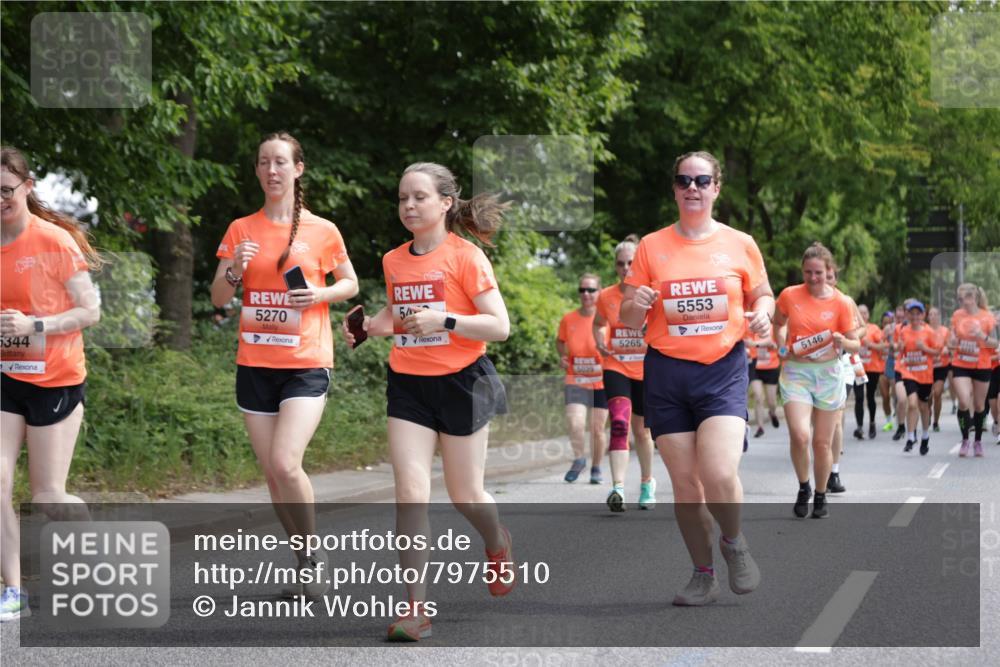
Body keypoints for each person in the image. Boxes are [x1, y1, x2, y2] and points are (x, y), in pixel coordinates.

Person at [342, 162, 513, 641]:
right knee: (410, 492)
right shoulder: (394, 260)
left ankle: (497, 541)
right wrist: (369, 327)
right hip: (409, 384)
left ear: (445, 203)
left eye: (419, 197)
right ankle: (415, 609)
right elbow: (398, 311)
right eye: (403, 198)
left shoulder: (467, 257)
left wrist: (446, 321)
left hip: (463, 382)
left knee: (466, 496)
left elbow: (499, 326)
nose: (409, 206)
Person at [211, 132, 359, 597]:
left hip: (306, 362)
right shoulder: (241, 228)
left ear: (298, 169)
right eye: (263, 162)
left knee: (285, 462)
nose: (271, 170)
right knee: (273, 476)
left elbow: (351, 283)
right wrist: (234, 268)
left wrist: (319, 293)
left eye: (280, 162)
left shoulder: (322, 229)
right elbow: (218, 297)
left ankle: (314, 554)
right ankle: (303, 559)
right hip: (255, 363)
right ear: (257, 170)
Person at [620, 151, 772, 606]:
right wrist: (637, 303)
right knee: (687, 488)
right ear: (674, 188)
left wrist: (764, 314)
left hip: (722, 368)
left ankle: (734, 542)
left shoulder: (740, 243)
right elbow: (628, 317)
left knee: (719, 471)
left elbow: (763, 294)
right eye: (684, 180)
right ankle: (703, 575)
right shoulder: (652, 246)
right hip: (667, 372)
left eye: (702, 181)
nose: (693, 188)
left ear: (716, 188)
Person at [1, 146, 102, 621]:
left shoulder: (54, 241)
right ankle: (12, 590)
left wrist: (35, 326)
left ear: (27, 187)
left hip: (56, 380)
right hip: (7, 378)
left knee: (48, 497)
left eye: (6, 190)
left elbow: (90, 311)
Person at [773, 243, 860, 519]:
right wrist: (781, 345)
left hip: (828, 375)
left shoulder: (841, 302)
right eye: (808, 272)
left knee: (822, 443)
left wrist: (842, 341)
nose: (813, 278)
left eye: (819, 272)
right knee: (800, 435)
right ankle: (804, 487)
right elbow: (778, 323)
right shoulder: (789, 295)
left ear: (829, 271)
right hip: (796, 373)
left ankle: (821, 494)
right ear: (802, 271)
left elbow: (856, 343)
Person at [593, 235, 656, 511]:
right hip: (616, 365)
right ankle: (617, 487)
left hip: (645, 368)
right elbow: (598, 323)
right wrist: (599, 340)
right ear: (615, 266)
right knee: (619, 423)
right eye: (621, 263)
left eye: (631, 262)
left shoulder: (651, 293)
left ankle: (647, 483)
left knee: (642, 431)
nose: (626, 268)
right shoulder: (606, 296)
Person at [557, 273, 609, 484]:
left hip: (601, 382)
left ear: (600, 291)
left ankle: (596, 467)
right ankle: (579, 459)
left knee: (597, 429)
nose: (586, 294)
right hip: (576, 379)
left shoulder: (606, 319)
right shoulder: (568, 319)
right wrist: (562, 356)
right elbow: (560, 341)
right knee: (575, 422)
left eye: (591, 290)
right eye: (582, 290)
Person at [949, 284, 998, 457]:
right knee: (963, 401)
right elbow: (952, 340)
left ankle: (977, 441)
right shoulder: (957, 315)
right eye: (960, 298)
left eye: (966, 297)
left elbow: (995, 343)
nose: (963, 301)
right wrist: (952, 340)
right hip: (961, 363)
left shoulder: (987, 317)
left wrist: (981, 336)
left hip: (982, 365)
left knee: (979, 405)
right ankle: (965, 440)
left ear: (974, 298)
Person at [895, 301, 940, 454]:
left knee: (924, 407)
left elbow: (937, 352)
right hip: (909, 373)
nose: (914, 317)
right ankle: (910, 437)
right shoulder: (904, 331)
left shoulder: (929, 332)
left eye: (917, 314)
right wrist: (900, 348)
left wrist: (924, 348)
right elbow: (900, 352)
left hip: (925, 375)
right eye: (911, 313)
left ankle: (925, 436)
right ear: (907, 315)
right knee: (912, 403)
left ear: (923, 315)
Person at [858, 305, 890, 439]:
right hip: (857, 368)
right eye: (860, 313)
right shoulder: (851, 329)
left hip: (872, 368)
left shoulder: (874, 329)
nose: (863, 315)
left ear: (868, 315)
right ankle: (859, 427)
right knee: (859, 397)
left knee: (870, 396)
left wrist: (870, 345)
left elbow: (884, 345)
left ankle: (872, 422)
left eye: (865, 312)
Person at [747, 331, 781, 438]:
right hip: (755, 367)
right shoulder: (750, 329)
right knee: (758, 397)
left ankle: (772, 413)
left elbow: (781, 348)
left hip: (771, 368)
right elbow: (747, 343)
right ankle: (760, 427)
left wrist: (775, 346)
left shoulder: (774, 328)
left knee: (772, 402)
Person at [927, 306, 951, 432]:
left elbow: (950, 344)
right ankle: (928, 412)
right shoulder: (924, 330)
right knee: (928, 395)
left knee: (937, 393)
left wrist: (947, 348)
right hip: (927, 367)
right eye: (931, 314)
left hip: (941, 366)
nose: (933, 316)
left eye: (935, 314)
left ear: (939, 316)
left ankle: (936, 421)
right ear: (928, 317)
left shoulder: (945, 331)